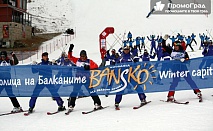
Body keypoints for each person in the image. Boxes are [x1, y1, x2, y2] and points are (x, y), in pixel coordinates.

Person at [67, 44, 102, 111]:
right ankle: (71, 105)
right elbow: (70, 57)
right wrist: (70, 50)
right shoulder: (77, 60)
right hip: (79, 79)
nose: (82, 57)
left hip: (86, 79)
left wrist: (89, 67)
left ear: (86, 55)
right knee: (74, 92)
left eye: (83, 56)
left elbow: (96, 66)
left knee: (91, 91)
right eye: (81, 56)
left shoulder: (89, 61)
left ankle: (97, 103)